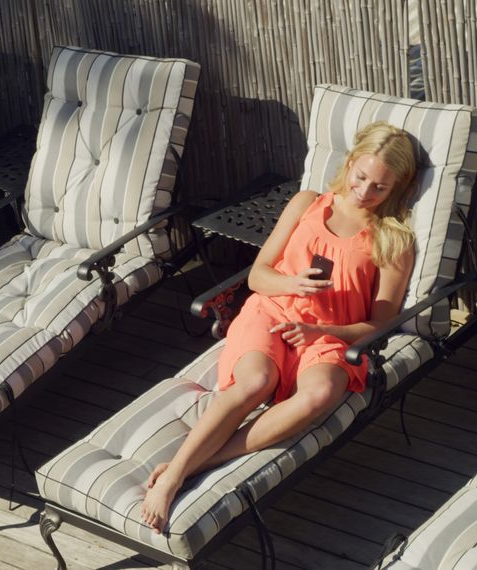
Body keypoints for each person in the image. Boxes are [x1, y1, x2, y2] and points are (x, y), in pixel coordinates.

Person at [139, 120, 419, 533]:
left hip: (331, 333)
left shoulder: (394, 240)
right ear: (351, 162)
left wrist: (326, 334)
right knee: (254, 382)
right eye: (361, 178)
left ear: (398, 187)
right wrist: (293, 283)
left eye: (381, 187)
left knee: (320, 392)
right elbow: (257, 276)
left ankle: (203, 460)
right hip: (273, 310)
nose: (365, 192)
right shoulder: (307, 203)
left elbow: (380, 323)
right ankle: (175, 474)